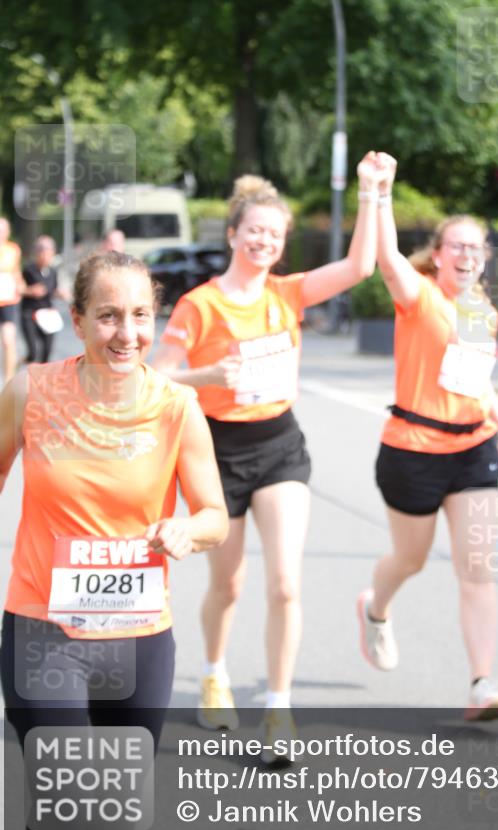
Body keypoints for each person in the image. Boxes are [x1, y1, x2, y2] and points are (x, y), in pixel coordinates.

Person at [0, 250, 228, 830]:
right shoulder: (32, 391)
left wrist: (186, 530)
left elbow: (214, 516)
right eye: (109, 316)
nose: (128, 333)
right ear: (78, 318)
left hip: (140, 635)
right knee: (66, 792)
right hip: (46, 628)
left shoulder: (176, 406)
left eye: (141, 315)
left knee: (114, 812)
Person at [153, 156, 378, 751]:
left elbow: (362, 264)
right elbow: (158, 377)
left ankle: (278, 707)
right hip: (216, 452)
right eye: (254, 230)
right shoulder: (200, 305)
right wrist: (209, 373)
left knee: (285, 583)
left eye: (274, 234)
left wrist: (372, 192)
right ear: (233, 234)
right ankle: (214, 672)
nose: (264, 241)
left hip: (279, 444)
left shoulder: (289, 292)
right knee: (228, 585)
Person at [356, 152, 498, 721]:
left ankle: (482, 683)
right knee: (411, 559)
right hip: (412, 450)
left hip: (472, 449)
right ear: (440, 255)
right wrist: (378, 192)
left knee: (477, 567)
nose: (468, 255)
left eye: (477, 247)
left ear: (484, 258)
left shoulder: (482, 313)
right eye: (458, 246)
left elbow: (473, 374)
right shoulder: (418, 297)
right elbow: (386, 256)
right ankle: (375, 608)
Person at [0, 216, 23, 405]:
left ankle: (8, 386)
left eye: (1, 229)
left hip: (8, 299)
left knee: (9, 341)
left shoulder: (13, 249)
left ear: (7, 232)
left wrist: (19, 283)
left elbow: (16, 272)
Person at [21, 235, 69, 364]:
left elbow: (53, 289)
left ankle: (39, 381)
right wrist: (30, 291)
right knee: (33, 352)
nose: (45, 255)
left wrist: (62, 294)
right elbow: (19, 288)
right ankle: (21, 363)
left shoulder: (53, 272)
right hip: (30, 313)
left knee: (47, 351)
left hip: (47, 314)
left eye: (48, 251)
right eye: (41, 251)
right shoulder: (28, 270)